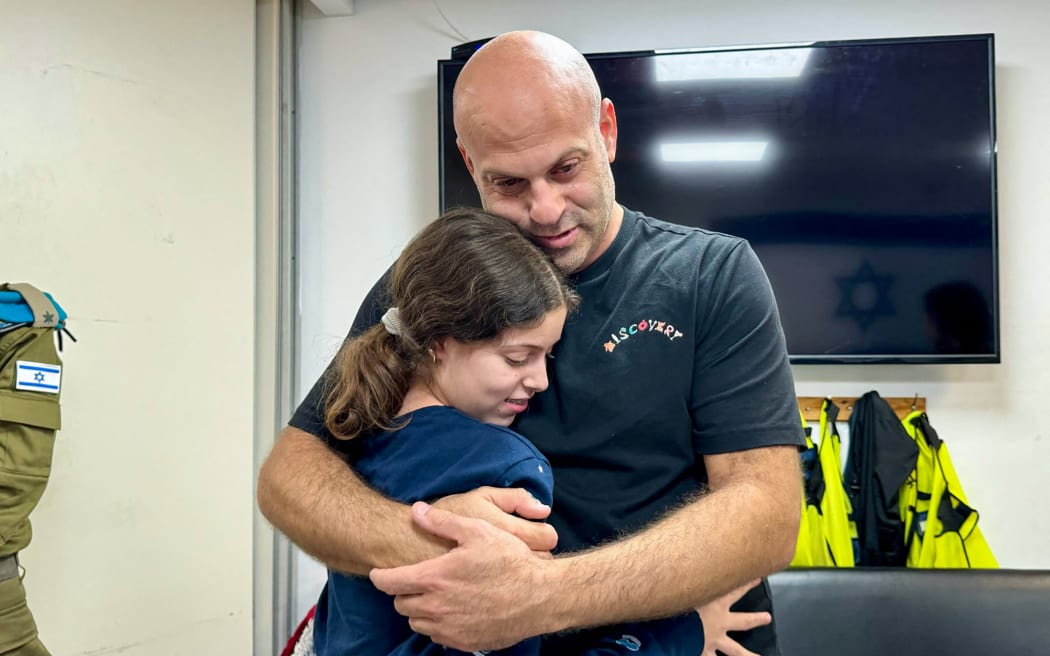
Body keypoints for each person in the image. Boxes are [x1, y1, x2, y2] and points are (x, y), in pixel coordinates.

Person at [258, 30, 804, 656]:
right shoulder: (437, 278)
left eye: (565, 168)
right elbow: (291, 478)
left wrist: (540, 595)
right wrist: (440, 543)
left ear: (607, 132)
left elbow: (766, 513)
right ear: (470, 166)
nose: (545, 209)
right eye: (510, 184)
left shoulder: (711, 273)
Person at [313, 207, 706, 656]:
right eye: (519, 358)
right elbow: (504, 631)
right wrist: (678, 631)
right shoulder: (503, 466)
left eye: (548, 357)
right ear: (440, 342)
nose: (540, 380)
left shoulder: (356, 433)